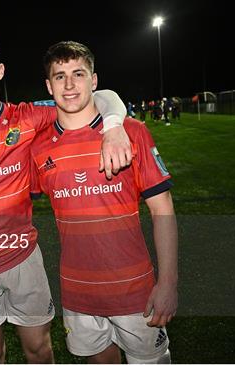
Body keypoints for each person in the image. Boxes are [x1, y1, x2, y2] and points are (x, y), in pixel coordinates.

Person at [0, 31, 132, 363]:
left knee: (40, 351)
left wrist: (115, 126)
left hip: (24, 259)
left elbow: (102, 95)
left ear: (0, 70)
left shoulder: (28, 117)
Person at [30, 41, 178, 364]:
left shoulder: (132, 133)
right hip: (78, 295)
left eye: (78, 74)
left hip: (136, 291)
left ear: (94, 81)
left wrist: (168, 282)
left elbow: (162, 208)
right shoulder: (39, 148)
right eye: (60, 76)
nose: (69, 85)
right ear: (48, 85)